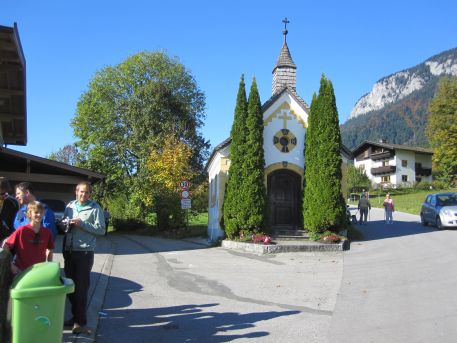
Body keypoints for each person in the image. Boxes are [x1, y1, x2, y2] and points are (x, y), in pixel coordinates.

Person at [63, 181, 105, 334]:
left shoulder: (95, 208)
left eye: (86, 192)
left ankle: (80, 322)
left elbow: (101, 230)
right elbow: (65, 225)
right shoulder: (69, 206)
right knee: (70, 287)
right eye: (81, 191)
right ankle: (75, 317)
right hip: (69, 250)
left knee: (81, 288)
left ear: (90, 194)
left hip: (84, 252)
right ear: (76, 191)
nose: (83, 194)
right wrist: (65, 224)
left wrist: (83, 224)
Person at [2, 201, 54, 275]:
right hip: (20, 271)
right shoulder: (21, 230)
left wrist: (49, 267)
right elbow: (6, 247)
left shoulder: (47, 232)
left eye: (41, 212)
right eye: (36, 212)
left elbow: (50, 250)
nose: (39, 215)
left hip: (39, 272)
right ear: (29, 214)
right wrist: (11, 265)